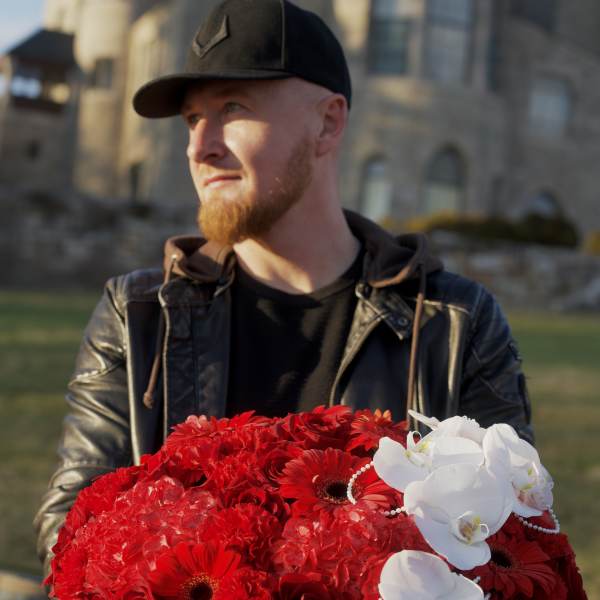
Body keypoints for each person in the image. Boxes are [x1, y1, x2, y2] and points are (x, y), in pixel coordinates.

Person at [34, 0, 533, 577]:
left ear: (328, 123)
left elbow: (515, 545)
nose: (199, 147)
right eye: (192, 118)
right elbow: (73, 531)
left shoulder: (455, 322)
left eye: (233, 108)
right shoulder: (141, 315)